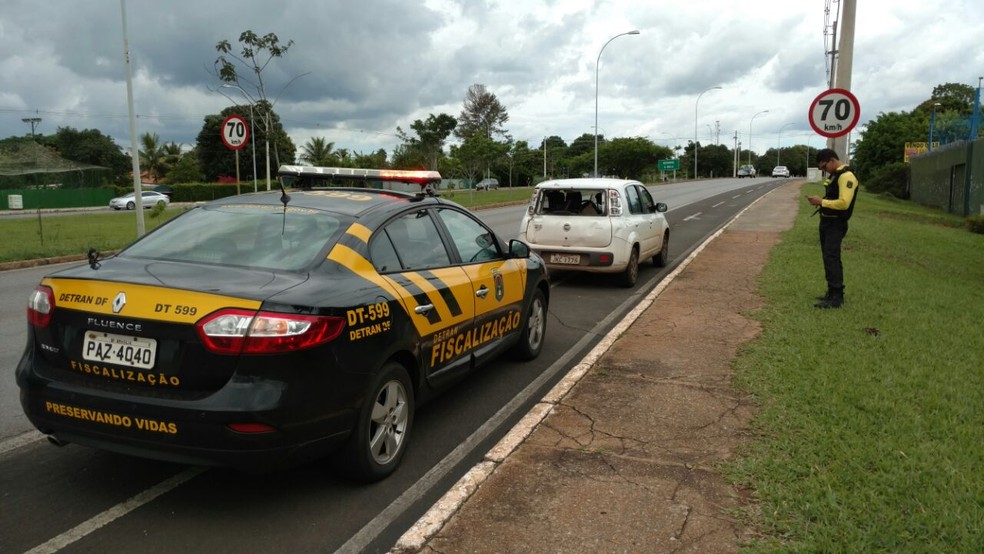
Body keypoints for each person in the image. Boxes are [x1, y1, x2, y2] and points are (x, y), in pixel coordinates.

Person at [806, 148, 858, 309]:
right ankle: (832, 291)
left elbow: (844, 203)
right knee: (828, 258)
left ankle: (836, 297)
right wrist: (822, 201)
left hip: (836, 224)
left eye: (824, 167)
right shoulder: (836, 175)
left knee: (832, 258)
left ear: (832, 160)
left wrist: (821, 202)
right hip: (827, 222)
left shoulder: (847, 176)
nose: (824, 170)